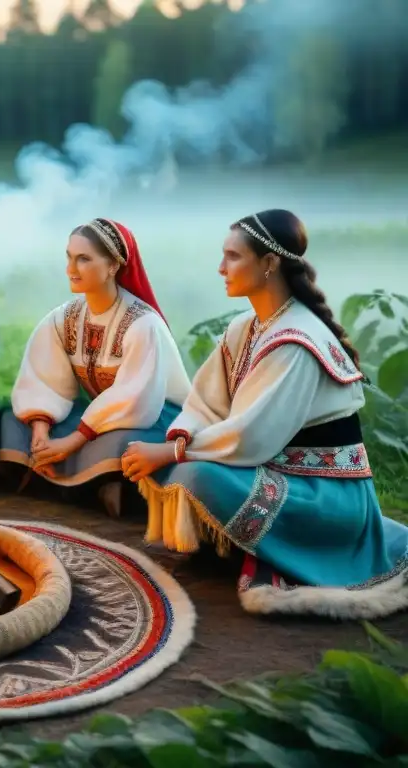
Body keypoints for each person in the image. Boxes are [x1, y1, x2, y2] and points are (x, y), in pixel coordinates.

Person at [122, 209, 408, 619]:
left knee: (194, 472)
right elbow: (205, 403)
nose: (221, 268)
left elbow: (249, 438)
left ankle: (283, 549)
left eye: (233, 257)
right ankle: (233, 545)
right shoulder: (246, 327)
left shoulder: (296, 340)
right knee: (176, 459)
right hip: (282, 469)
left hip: (325, 495)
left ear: (269, 263)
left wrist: (169, 455)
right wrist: (180, 438)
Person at [0, 218, 191, 517]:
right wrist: (41, 431)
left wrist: (72, 441)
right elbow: (44, 378)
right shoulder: (64, 318)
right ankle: (92, 487)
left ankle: (80, 488)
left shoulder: (142, 324)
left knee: (122, 443)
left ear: (113, 265)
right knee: (14, 424)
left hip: (150, 418)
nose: (70, 269)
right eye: (69, 257)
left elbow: (135, 399)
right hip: (99, 420)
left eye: (83, 259)